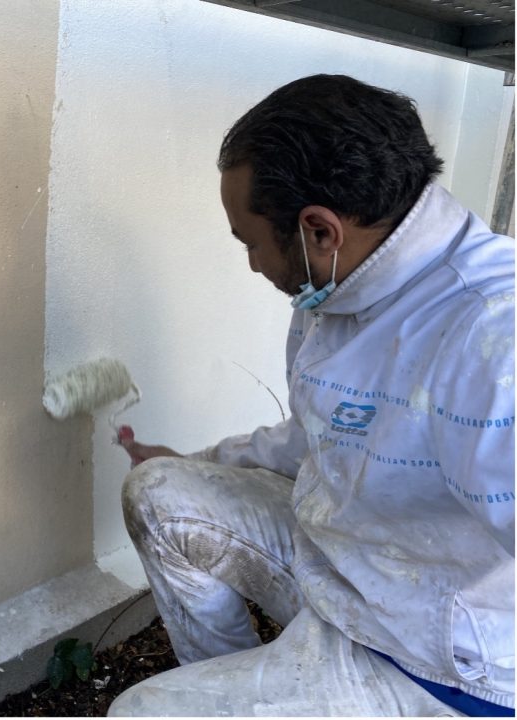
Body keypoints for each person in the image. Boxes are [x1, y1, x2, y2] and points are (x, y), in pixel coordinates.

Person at [108, 74, 515, 717]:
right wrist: (196, 457)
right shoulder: (343, 281)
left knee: (140, 712)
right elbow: (315, 439)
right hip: (349, 576)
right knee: (161, 488)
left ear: (318, 230)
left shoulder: (492, 336)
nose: (251, 263)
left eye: (249, 242)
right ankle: (244, 685)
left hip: (434, 663)